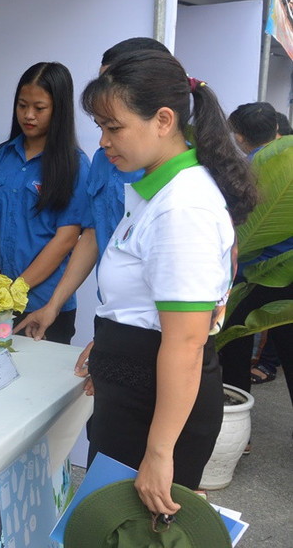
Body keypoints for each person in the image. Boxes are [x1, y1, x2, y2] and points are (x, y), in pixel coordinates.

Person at [80, 50, 257, 514]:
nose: (103, 142)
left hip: (157, 414)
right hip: (140, 393)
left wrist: (159, 454)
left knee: (129, 532)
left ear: (163, 120)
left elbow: (186, 341)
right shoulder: (156, 192)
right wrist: (108, 346)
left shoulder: (183, 207)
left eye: (112, 127)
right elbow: (142, 307)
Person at [15, 38, 171, 348]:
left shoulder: (181, 181)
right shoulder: (105, 158)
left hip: (155, 332)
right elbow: (92, 235)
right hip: (112, 318)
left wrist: (123, 344)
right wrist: (53, 306)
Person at [0, 62, 91, 344]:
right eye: (22, 105)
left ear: (58, 110)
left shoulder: (75, 164)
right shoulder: (1, 157)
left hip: (45, 305)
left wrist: (18, 288)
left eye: (39, 108)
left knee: (40, 384)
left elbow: (67, 238)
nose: (28, 115)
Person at [220, 102, 293, 411]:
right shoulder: (286, 164)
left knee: (234, 349)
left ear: (238, 137)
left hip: (244, 280)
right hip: (285, 274)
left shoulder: (240, 175)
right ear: (275, 131)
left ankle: (239, 427)